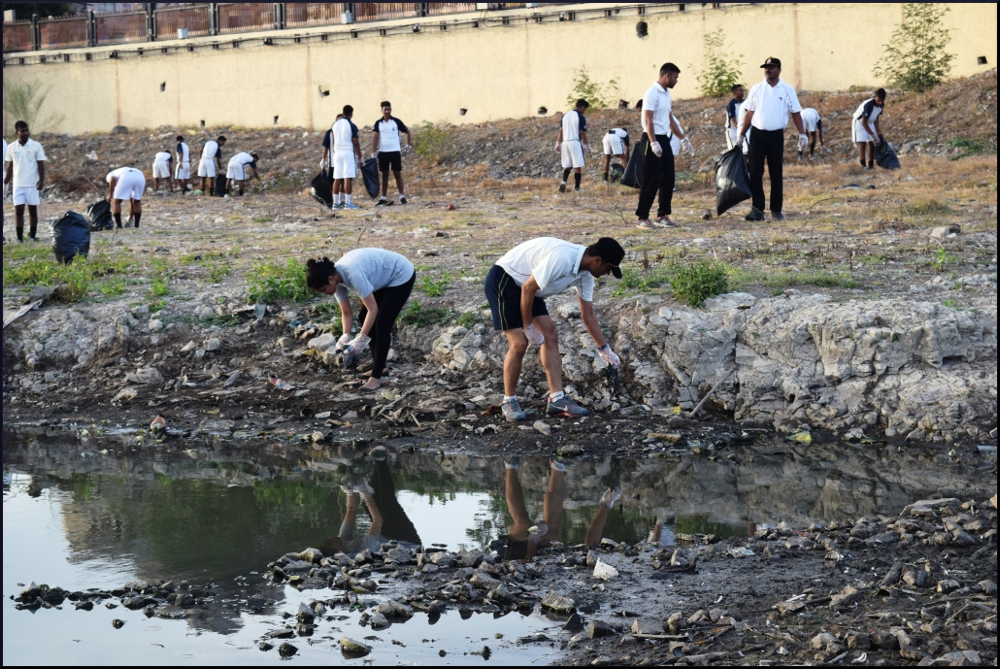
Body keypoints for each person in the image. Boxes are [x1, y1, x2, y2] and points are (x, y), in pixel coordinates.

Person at [484, 237, 625, 422]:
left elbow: (588, 314)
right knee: (519, 342)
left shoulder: (586, 275)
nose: (607, 274)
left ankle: (557, 399)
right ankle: (508, 401)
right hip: (505, 279)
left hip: (529, 288)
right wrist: (528, 327)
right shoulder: (563, 258)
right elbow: (527, 288)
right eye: (608, 269)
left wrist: (604, 349)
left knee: (550, 334)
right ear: (597, 260)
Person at [305, 249, 416, 391]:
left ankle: (375, 379)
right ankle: (380, 368)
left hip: (400, 273)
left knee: (382, 325)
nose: (324, 294)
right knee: (363, 317)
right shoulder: (336, 282)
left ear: (330, 279)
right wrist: (345, 336)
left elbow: (373, 309)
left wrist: (361, 339)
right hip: (382, 277)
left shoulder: (353, 274)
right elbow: (346, 313)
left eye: (323, 289)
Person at [502, 456, 622, 561]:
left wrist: (532, 541)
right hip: (540, 544)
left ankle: (511, 464)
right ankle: (557, 466)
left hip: (528, 542)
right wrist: (606, 503)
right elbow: (591, 546)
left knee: (523, 525)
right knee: (551, 529)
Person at [737, 57, 808, 222]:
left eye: (771, 67)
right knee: (755, 172)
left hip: (775, 135)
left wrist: (802, 133)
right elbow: (750, 112)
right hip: (757, 135)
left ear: (779, 70)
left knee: (775, 172)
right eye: (766, 68)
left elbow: (796, 112)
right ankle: (757, 209)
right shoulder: (757, 89)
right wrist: (741, 134)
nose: (768, 70)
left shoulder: (786, 89)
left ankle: (776, 210)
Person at [318, 447, 421, 557]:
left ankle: (379, 460)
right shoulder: (361, 552)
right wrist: (364, 491)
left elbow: (351, 510)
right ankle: (381, 461)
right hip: (408, 543)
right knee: (386, 506)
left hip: (388, 536)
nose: (329, 539)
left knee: (367, 506)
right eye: (329, 543)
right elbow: (378, 521)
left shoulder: (342, 541)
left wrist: (349, 492)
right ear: (339, 552)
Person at [636, 63, 694, 230]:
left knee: (668, 178)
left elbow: (670, 120)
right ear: (667, 76)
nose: (676, 81)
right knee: (651, 179)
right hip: (651, 138)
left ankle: (662, 215)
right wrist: (653, 142)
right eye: (675, 78)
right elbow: (648, 120)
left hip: (664, 138)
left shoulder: (666, 95)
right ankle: (642, 217)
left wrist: (683, 139)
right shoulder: (652, 93)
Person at [3, 121, 46, 243]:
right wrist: (6, 182)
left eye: (27, 130)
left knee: (32, 210)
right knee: (18, 212)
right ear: (17, 132)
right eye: (22, 131)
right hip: (18, 185)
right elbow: (11, 166)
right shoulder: (11, 147)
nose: (25, 133)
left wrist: (41, 180)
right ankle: (19, 238)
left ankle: (32, 237)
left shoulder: (36, 146)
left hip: (32, 184)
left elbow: (40, 164)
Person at [372, 101, 412, 206]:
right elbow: (375, 137)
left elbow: (407, 132)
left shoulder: (396, 121)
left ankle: (402, 196)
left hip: (394, 151)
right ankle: (383, 198)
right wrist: (374, 151)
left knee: (397, 174)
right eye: (385, 109)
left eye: (389, 109)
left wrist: (408, 145)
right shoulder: (378, 123)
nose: (387, 111)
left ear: (391, 110)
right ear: (382, 110)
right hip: (383, 152)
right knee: (384, 175)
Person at [332, 105, 363, 210]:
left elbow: (333, 139)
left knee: (337, 178)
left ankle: (335, 203)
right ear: (351, 113)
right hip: (347, 152)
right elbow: (356, 142)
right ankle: (348, 203)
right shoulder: (351, 125)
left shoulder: (335, 124)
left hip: (337, 153)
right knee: (347, 177)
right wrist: (360, 157)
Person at [556, 99, 590, 193]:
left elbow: (561, 130)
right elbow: (582, 132)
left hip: (565, 143)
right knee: (577, 166)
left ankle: (563, 182)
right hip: (575, 142)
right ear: (582, 107)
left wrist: (558, 143)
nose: (584, 111)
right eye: (585, 109)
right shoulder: (580, 117)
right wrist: (587, 145)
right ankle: (577, 188)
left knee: (567, 165)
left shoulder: (565, 115)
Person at [853, 89, 886, 170]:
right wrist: (873, 134)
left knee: (872, 143)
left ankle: (871, 165)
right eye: (878, 100)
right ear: (875, 97)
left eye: (882, 101)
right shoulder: (869, 105)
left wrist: (877, 131)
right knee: (862, 144)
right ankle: (863, 165)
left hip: (870, 122)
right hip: (860, 122)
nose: (880, 103)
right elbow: (864, 122)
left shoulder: (881, 105)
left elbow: (876, 117)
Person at [320, 113, 344, 181]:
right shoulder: (329, 132)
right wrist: (323, 160)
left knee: (343, 180)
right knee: (333, 180)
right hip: (333, 162)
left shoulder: (345, 132)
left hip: (343, 161)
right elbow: (326, 147)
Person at [726, 84, 745, 150]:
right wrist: (740, 129)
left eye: (742, 90)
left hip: (743, 130)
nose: (742, 92)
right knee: (734, 150)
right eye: (740, 90)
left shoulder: (745, 103)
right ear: (734, 93)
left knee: (745, 150)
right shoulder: (731, 104)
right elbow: (733, 120)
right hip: (733, 131)